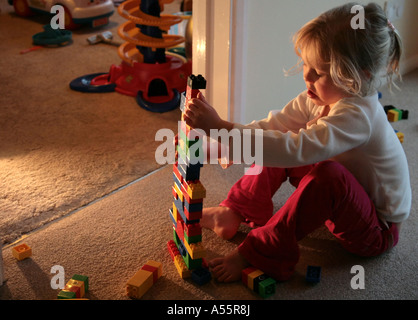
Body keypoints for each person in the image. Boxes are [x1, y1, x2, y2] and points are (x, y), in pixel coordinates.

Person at [182, 2, 411, 282]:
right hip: (348, 195)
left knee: (318, 168)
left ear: (357, 77)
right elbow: (273, 128)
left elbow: (295, 151)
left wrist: (222, 127)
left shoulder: (358, 116)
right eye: (306, 64)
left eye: (320, 72)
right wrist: (230, 138)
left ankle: (259, 250)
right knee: (273, 141)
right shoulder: (316, 97)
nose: (307, 75)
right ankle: (236, 210)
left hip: (376, 229)